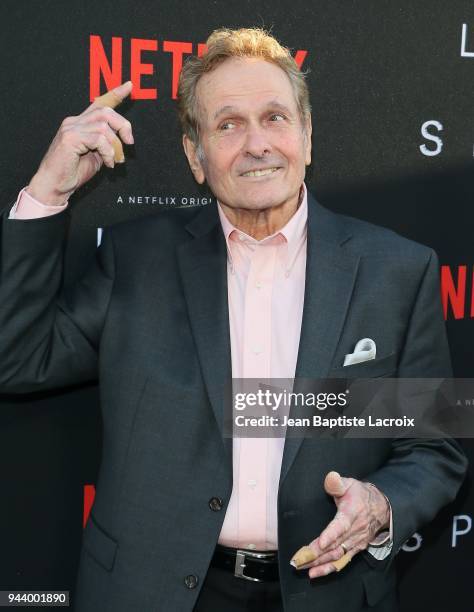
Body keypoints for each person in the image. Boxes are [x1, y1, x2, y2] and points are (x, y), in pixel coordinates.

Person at [0, 27, 467, 612]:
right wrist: (48, 191)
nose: (256, 144)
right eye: (227, 125)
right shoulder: (135, 261)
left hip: (331, 593)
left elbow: (436, 446)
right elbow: (16, 360)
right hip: (150, 592)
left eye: (275, 117)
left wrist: (382, 504)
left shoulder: (398, 270)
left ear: (307, 136)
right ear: (196, 157)